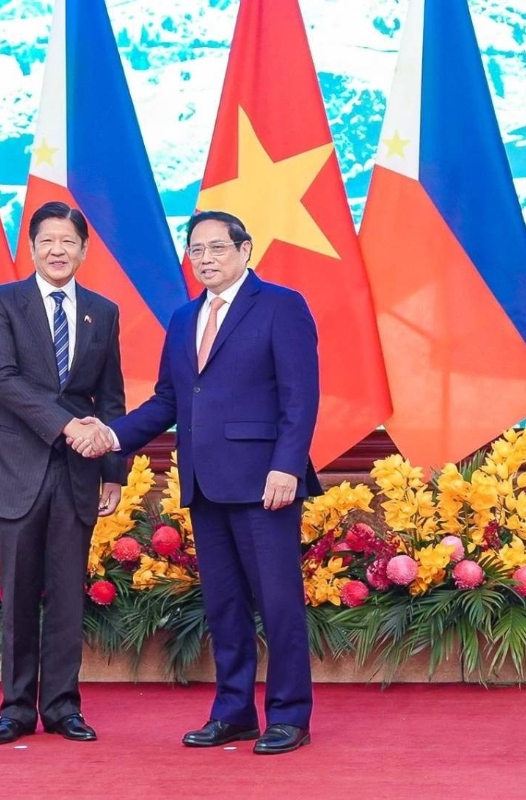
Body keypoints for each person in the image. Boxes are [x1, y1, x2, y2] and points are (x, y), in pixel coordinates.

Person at [76, 210, 321, 755]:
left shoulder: (281, 305)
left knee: (278, 603)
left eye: (216, 248)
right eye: (196, 250)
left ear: (245, 249)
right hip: (205, 483)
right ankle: (234, 712)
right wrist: (112, 436)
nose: (205, 259)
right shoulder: (185, 316)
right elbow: (169, 398)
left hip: (265, 482)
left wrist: (286, 465)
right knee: (224, 605)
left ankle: (289, 716)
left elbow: (301, 396)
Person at [0, 201, 126, 745]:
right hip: (17, 466)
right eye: (47, 241)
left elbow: (111, 398)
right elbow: (3, 379)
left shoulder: (103, 311)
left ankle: (62, 707)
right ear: (31, 247)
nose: (58, 250)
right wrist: (67, 426)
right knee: (18, 592)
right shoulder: (0, 302)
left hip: (79, 471)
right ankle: (15, 710)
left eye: (68, 241)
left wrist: (113, 471)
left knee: (67, 593)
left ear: (84, 249)